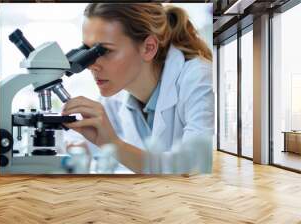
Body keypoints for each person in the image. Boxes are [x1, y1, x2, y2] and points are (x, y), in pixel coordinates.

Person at [62, 3, 214, 174]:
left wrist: (114, 145)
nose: (91, 65)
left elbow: (195, 168)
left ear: (148, 48)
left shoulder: (199, 80)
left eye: (103, 51)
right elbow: (82, 141)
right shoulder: (116, 94)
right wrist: (76, 147)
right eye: (87, 51)